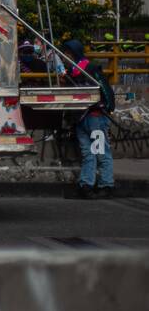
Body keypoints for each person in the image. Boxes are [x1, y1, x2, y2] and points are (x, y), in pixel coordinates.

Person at [64, 38, 116, 199]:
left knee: (101, 152)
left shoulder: (90, 69)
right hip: (80, 119)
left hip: (95, 117)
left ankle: (106, 185)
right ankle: (86, 185)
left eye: (67, 53)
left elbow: (105, 89)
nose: (64, 56)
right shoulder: (71, 73)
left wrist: (108, 107)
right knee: (88, 153)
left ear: (73, 53)